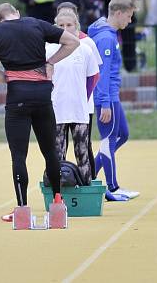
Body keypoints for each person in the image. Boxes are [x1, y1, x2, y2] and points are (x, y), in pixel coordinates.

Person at [0, 3, 79, 221]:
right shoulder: (35, 24)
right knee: (50, 151)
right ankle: (58, 203)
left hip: (18, 97)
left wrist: (12, 79)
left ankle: (22, 208)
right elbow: (72, 42)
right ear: (17, 13)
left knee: (19, 155)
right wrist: (50, 63)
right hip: (42, 95)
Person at [89, 0, 141, 201]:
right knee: (108, 141)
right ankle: (113, 187)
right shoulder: (105, 38)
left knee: (123, 134)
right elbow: (102, 74)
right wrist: (105, 103)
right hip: (106, 98)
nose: (130, 21)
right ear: (118, 13)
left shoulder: (108, 33)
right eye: (128, 17)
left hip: (112, 95)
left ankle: (89, 172)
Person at [48, 10, 100, 184]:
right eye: (61, 26)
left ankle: (86, 188)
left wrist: (82, 98)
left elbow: (93, 77)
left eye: (69, 25)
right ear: (55, 28)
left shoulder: (85, 49)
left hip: (79, 110)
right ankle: (57, 194)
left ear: (76, 26)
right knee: (56, 154)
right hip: (56, 110)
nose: (65, 28)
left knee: (82, 152)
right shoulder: (48, 49)